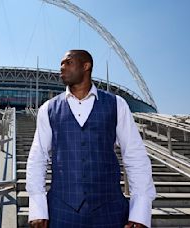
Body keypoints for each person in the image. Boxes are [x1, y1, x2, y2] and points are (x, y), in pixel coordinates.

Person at [26, 50, 156, 228]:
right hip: (61, 212)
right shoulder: (48, 108)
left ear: (86, 66)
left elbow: (135, 156)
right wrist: (37, 208)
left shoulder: (117, 104)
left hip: (110, 211)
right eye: (61, 64)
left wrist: (140, 211)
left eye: (68, 63)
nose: (62, 68)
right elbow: (38, 157)